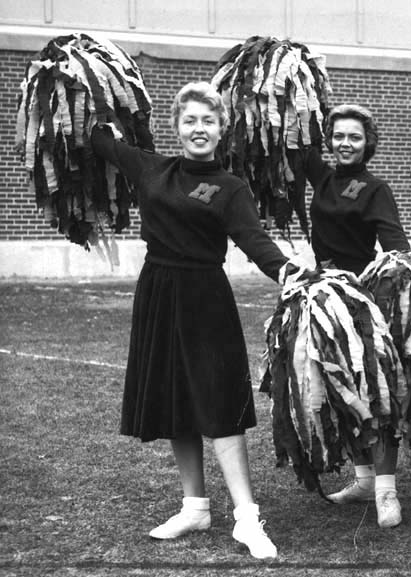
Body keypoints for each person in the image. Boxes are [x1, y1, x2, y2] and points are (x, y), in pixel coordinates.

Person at [90, 81, 300, 560]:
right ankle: (195, 506)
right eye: (190, 121)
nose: (199, 129)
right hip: (158, 294)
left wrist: (287, 271)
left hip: (205, 296)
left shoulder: (230, 187)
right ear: (177, 128)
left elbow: (254, 239)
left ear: (221, 129)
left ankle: (247, 517)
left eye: (208, 120)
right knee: (175, 399)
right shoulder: (151, 167)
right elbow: (100, 138)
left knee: (217, 401)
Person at [303, 103, 411, 528]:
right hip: (322, 295)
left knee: (376, 396)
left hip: (360, 299)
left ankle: (387, 491)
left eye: (354, 137)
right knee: (341, 393)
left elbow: (395, 243)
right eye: (339, 136)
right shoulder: (324, 176)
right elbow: (296, 131)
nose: (345, 143)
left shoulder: (374, 187)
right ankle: (364, 479)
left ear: (368, 144)